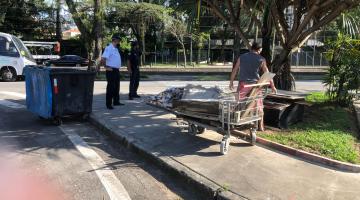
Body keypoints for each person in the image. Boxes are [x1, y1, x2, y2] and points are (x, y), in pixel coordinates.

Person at [229, 42, 277, 131]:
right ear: (259, 49)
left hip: (243, 85)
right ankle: (261, 126)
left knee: (239, 104)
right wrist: (273, 86)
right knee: (258, 105)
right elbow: (267, 73)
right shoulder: (261, 59)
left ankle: (234, 123)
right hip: (256, 85)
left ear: (252, 48)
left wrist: (231, 82)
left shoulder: (242, 57)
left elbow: (235, 70)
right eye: (261, 49)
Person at [101, 34, 124, 110]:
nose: (119, 42)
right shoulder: (109, 48)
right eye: (118, 40)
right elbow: (103, 59)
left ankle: (116, 101)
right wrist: (106, 67)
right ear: (115, 40)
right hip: (111, 70)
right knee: (111, 87)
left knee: (117, 87)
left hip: (116, 70)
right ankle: (109, 104)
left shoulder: (116, 49)